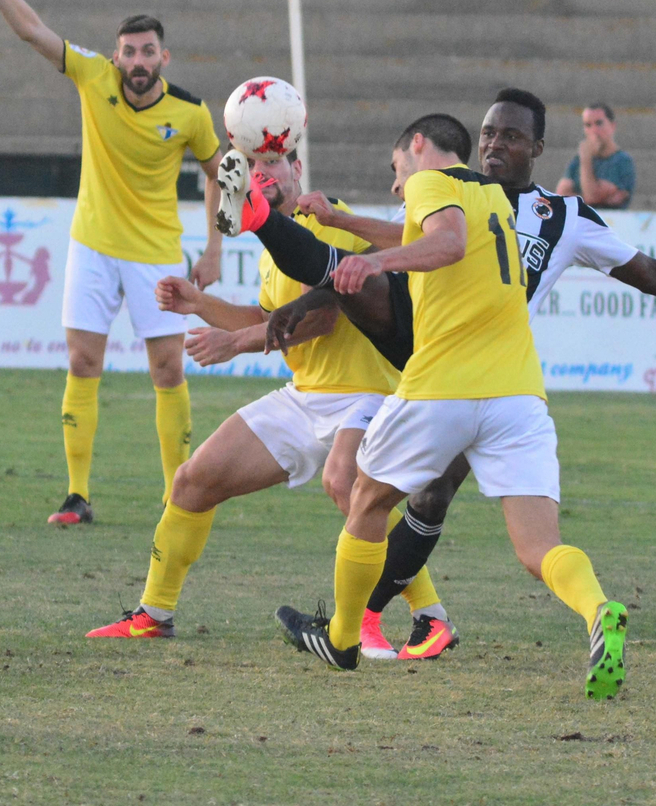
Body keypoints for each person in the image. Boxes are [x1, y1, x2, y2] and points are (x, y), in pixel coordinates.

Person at [269, 89, 656, 660]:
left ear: (538, 148)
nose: (495, 144)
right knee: (494, 527)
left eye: (511, 136)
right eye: (489, 133)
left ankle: (354, 631)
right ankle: (589, 609)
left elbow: (645, 271)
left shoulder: (537, 209)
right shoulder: (468, 193)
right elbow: (406, 241)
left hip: (443, 378)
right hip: (508, 385)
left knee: (379, 497)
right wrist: (334, 236)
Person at [85, 151, 449, 644]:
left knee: (347, 486)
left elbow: (323, 316)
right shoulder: (271, 242)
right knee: (192, 482)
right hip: (305, 396)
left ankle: (429, 616)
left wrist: (234, 345)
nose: (260, 173)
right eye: (250, 163)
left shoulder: (328, 222)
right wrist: (200, 304)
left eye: (273, 162)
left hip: (369, 391)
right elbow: (269, 317)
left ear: (298, 166)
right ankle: (154, 614)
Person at [0, 0, 225, 525]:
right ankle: (77, 495)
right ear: (117, 55)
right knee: (82, 363)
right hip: (93, 247)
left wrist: (212, 247)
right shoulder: (92, 76)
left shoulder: (190, 112)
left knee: (168, 369)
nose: (136, 62)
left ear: (164, 57)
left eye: (147, 51)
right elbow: (31, 30)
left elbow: (217, 173)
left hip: (156, 252)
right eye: (128, 51)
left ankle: (175, 495)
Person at [555, 103, 634, 208]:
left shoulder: (622, 161)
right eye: (588, 125)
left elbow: (593, 197)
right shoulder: (577, 161)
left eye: (599, 123)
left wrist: (586, 160)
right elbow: (561, 195)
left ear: (612, 125)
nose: (594, 131)